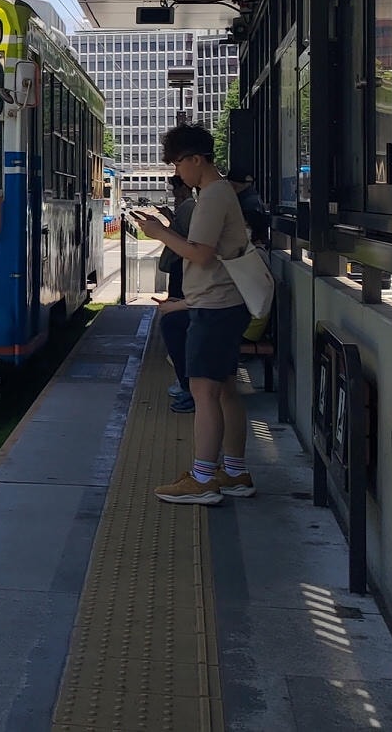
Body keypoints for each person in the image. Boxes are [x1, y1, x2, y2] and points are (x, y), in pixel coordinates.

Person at [133, 123, 255, 505]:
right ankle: (234, 472)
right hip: (222, 305)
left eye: (177, 164)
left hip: (214, 309)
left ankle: (203, 477)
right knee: (225, 391)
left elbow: (200, 254)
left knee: (203, 391)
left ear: (196, 159)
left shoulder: (213, 197)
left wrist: (158, 232)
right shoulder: (219, 194)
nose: (176, 173)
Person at [155, 175, 197, 412]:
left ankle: (186, 386)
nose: (172, 191)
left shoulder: (190, 207)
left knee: (174, 323)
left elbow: (188, 241)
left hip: (184, 268)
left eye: (174, 186)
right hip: (184, 269)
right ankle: (186, 384)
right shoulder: (187, 208)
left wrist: (161, 230)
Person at [225, 168, 270, 244]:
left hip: (251, 245)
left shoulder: (247, 202)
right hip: (258, 244)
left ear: (233, 185)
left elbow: (251, 228)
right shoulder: (252, 197)